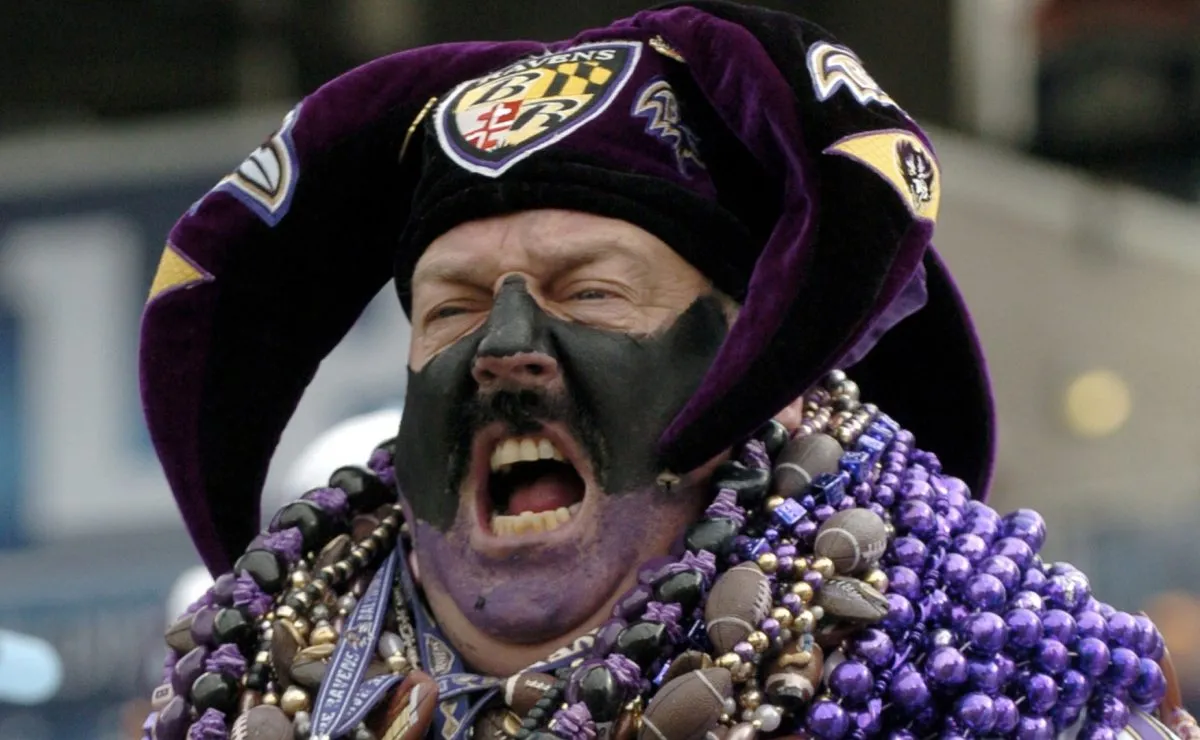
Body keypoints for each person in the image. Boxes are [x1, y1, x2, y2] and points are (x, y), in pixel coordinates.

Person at [134, 3, 1197, 739]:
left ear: (754, 355)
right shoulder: (233, 698)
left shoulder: (995, 682)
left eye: (588, 291)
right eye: (450, 307)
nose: (504, 349)